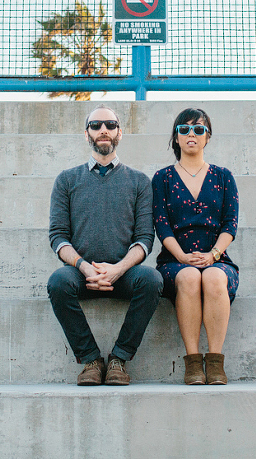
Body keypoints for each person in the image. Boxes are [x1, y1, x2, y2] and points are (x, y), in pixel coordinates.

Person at [47, 105, 162, 386]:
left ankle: (119, 359)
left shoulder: (139, 182)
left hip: (123, 274)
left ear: (119, 133)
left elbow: (145, 238)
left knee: (152, 280)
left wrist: (118, 269)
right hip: (81, 274)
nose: (103, 130)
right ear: (86, 133)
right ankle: (90, 360)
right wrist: (85, 268)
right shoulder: (66, 180)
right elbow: (58, 236)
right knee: (58, 282)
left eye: (110, 125)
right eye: (96, 125)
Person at [151, 107, 239, 385]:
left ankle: (214, 362)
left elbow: (230, 225)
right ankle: (192, 363)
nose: (192, 134)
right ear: (176, 138)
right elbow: (161, 225)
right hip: (174, 261)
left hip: (217, 258)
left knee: (214, 277)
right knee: (189, 277)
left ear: (207, 137)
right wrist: (183, 257)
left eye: (199, 129)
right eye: (184, 129)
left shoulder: (223, 176)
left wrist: (213, 255)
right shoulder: (162, 178)